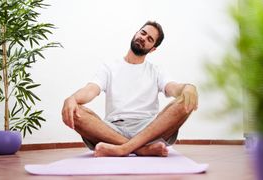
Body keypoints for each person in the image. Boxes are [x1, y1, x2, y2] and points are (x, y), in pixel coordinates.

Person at [62, 21, 198, 157]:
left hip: (149, 129)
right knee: (75, 110)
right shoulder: (109, 68)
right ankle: (142, 149)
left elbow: (173, 88)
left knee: (186, 100)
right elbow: (90, 89)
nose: (143, 38)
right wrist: (72, 98)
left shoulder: (156, 71)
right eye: (143, 33)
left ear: (153, 49)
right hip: (112, 130)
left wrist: (188, 88)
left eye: (150, 39)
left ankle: (121, 149)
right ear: (136, 33)